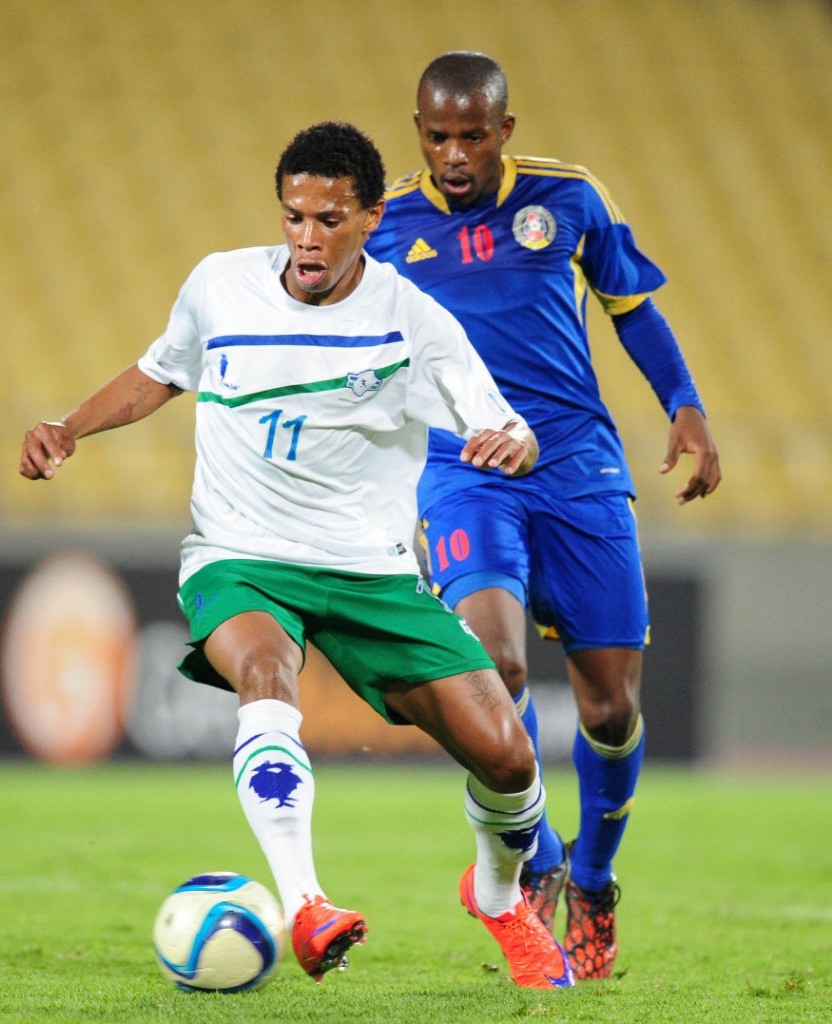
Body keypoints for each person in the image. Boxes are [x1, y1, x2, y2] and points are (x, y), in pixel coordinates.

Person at [19, 121, 575, 990]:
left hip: (370, 569)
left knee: (508, 758)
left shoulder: (413, 321)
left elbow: (506, 424)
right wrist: (69, 426)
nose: (307, 239)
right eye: (293, 217)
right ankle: (307, 903)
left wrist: (510, 446)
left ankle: (501, 898)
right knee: (266, 672)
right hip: (239, 552)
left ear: (370, 217)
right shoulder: (219, 285)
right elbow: (160, 372)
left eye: (327, 219)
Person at [365, 53, 722, 980]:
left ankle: (594, 883)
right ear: (419, 132)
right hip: (462, 469)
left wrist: (683, 402)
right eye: (435, 136)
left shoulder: (569, 199)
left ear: (504, 131)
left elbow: (631, 306)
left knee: (611, 705)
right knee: (496, 663)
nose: (452, 154)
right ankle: (544, 857)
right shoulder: (386, 225)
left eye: (471, 136)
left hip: (575, 463)